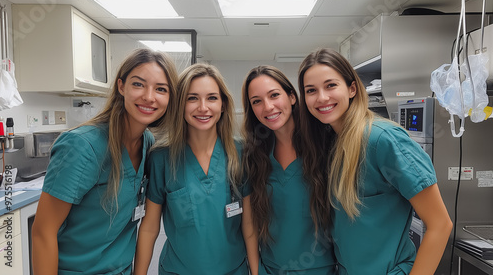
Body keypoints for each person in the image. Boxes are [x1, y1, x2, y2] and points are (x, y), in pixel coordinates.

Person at [297, 48, 453, 275]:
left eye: (330, 85)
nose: (321, 97)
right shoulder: (331, 144)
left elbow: (440, 225)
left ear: (351, 89)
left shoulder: (382, 140)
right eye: (311, 90)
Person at [31, 48, 178, 275]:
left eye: (161, 89)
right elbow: (43, 232)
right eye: (138, 84)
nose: (149, 96)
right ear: (121, 86)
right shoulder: (82, 146)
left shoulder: (147, 143)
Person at [134, 63, 249, 275]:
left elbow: (250, 227)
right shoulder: (162, 158)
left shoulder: (241, 153)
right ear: (180, 104)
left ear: (223, 104)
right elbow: (149, 228)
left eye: (212, 98)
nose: (203, 107)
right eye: (192, 98)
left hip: (234, 270)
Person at [240, 65, 338, 275]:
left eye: (274, 95)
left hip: (322, 269)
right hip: (270, 268)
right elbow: (250, 225)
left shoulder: (326, 145)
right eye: (256, 101)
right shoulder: (254, 156)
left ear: (292, 97)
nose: (267, 107)